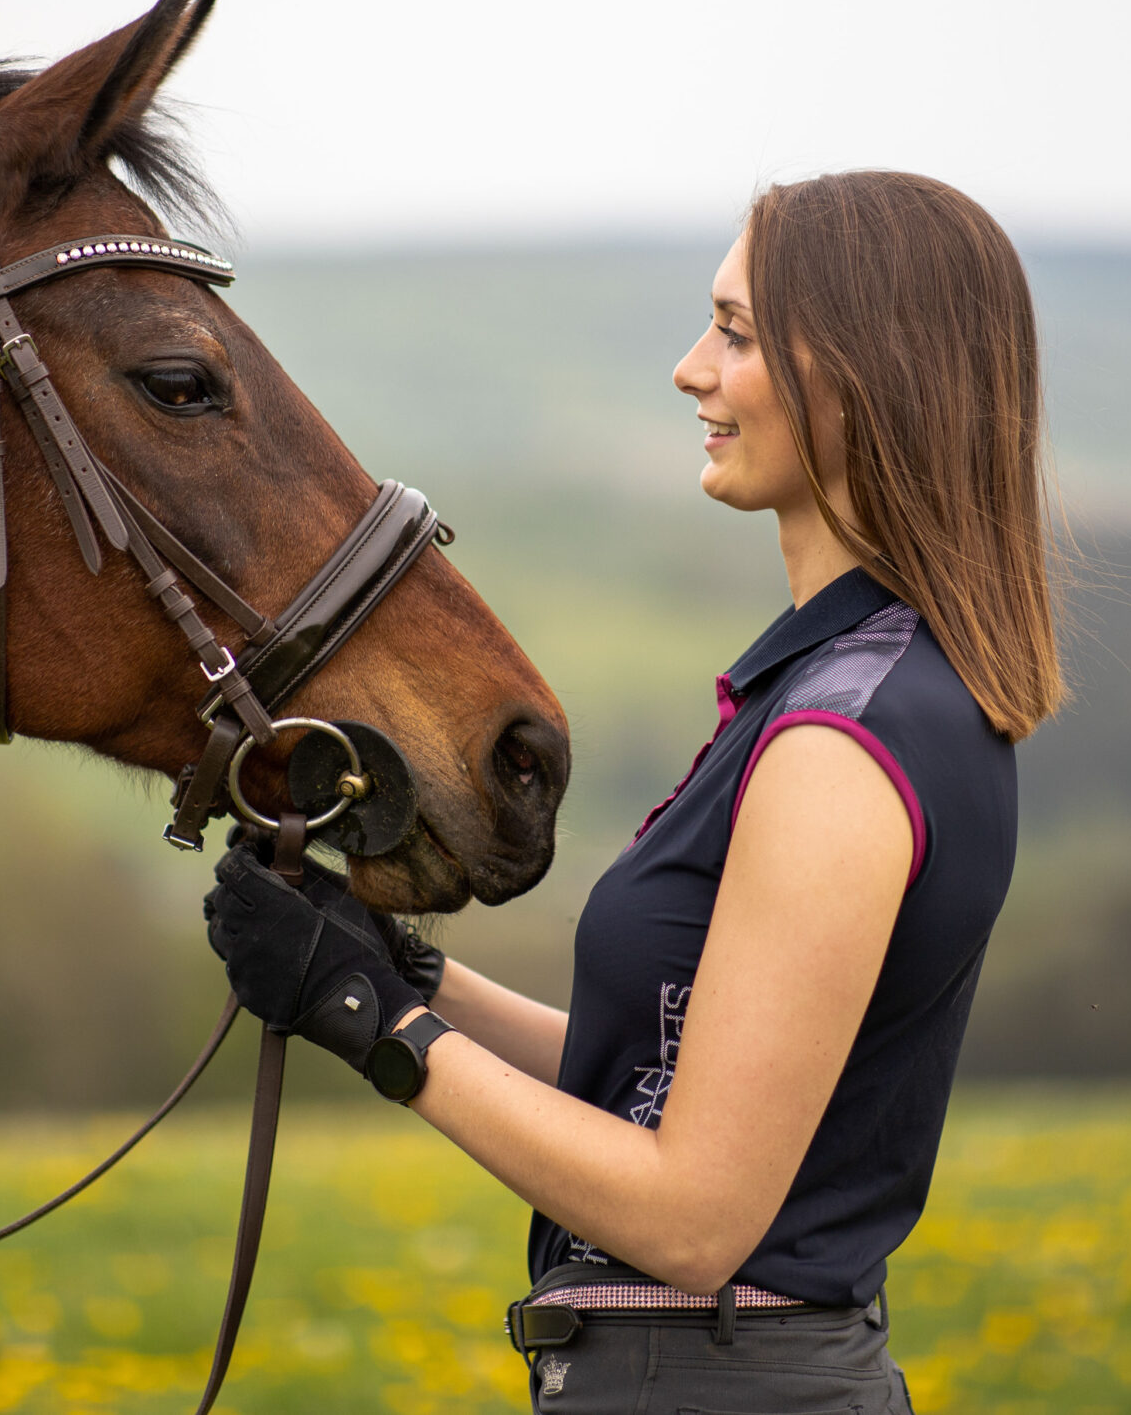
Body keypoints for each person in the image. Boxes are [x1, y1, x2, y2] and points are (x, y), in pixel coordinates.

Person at [205, 170, 1064, 1413]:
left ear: (864, 373)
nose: (689, 369)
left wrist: (373, 1024)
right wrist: (407, 971)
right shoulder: (861, 690)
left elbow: (695, 1215)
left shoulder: (839, 747)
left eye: (736, 332)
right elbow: (662, 1078)